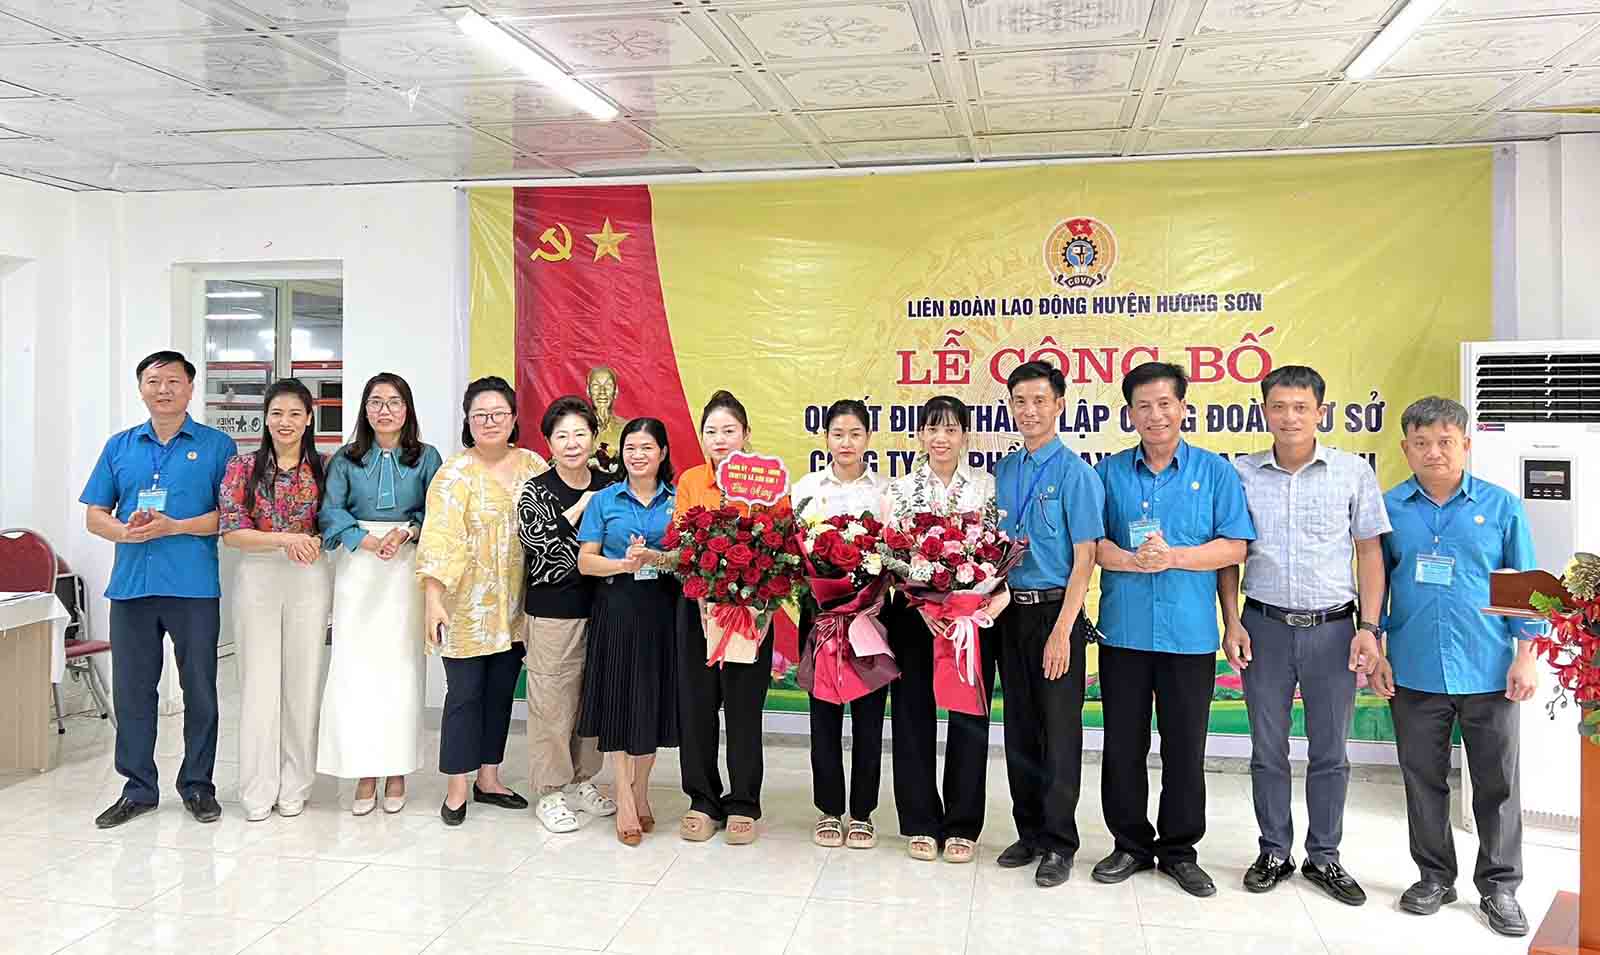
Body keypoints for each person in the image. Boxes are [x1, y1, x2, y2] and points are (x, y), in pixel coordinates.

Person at [1368, 396, 1540, 938]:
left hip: (1489, 668)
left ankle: (1500, 887)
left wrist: (1526, 654)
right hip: (1415, 668)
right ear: (1405, 448)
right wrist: (1376, 648)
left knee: (1497, 784)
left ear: (1466, 444)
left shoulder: (1502, 505)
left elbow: (1523, 584)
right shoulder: (1388, 508)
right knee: (1423, 779)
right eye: (1421, 443)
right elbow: (1377, 582)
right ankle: (1434, 877)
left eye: (1445, 441)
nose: (1434, 452)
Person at [1218, 365, 1388, 903]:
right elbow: (1229, 553)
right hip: (1263, 627)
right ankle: (1273, 850)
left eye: (1301, 407)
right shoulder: (1240, 474)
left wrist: (1369, 627)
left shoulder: (1352, 472)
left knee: (1330, 751)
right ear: (1263, 411)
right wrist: (1232, 620)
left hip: (1335, 630)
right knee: (1267, 749)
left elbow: (1369, 552)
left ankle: (1325, 856)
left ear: (1321, 412)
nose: (1289, 417)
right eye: (1278, 407)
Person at [1092, 361, 1255, 897]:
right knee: (1122, 745)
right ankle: (1130, 844)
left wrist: (1176, 559)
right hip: (1124, 634)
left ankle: (1180, 850)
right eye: (1144, 406)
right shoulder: (1109, 473)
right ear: (1129, 413)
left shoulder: (1215, 472)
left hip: (1189, 636)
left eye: (1166, 404)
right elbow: (1093, 547)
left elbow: (1233, 548)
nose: (1156, 415)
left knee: (1185, 747)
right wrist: (1134, 561)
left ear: (1184, 408)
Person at [81, 350, 238, 828]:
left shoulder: (217, 447)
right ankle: (138, 789)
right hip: (131, 589)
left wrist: (173, 526)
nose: (163, 389)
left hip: (192, 587)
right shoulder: (120, 446)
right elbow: (94, 515)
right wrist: (123, 532)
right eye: (154, 381)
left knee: (200, 691)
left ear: (191, 389)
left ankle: (197, 786)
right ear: (141, 389)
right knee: (133, 693)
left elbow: (227, 517)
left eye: (173, 381)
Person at [992, 361, 1104, 887]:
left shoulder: (1077, 474)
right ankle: (1029, 830)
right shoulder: (1006, 471)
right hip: (1009, 610)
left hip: (1057, 611)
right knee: (1019, 724)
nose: (1030, 410)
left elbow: (1085, 559)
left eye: (1040, 400)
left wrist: (1064, 630)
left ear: (1060, 405)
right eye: (1020, 401)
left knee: (1059, 732)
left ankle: (1060, 842)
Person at [417, 376, 548, 826]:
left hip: (516, 606)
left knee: (499, 695)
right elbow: (439, 539)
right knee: (464, 696)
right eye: (480, 415)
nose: (489, 422)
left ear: (513, 419)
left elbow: (551, 531)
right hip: (466, 608)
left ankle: (488, 778)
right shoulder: (454, 473)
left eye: (498, 414)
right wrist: (433, 600)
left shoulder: (533, 465)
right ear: (468, 422)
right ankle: (457, 786)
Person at [881, 395, 1001, 864]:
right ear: (919, 435)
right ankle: (919, 822)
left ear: (965, 435)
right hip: (915, 617)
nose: (941, 439)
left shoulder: (985, 486)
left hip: (968, 620)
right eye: (932, 429)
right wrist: (918, 600)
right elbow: (889, 557)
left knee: (968, 719)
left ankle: (963, 825)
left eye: (951, 429)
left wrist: (963, 601)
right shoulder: (900, 489)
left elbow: (993, 550)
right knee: (912, 718)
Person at [317, 372, 443, 816]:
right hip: (358, 567)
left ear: (407, 409)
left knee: (401, 671)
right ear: (364, 410)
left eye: (393, 401)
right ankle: (364, 771)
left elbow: (437, 512)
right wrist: (364, 539)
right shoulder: (345, 460)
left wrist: (407, 533)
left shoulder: (426, 458)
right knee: (356, 670)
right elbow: (330, 513)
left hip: (405, 568)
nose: (384, 409)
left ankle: (396, 771)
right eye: (375, 402)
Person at [673, 389, 792, 846]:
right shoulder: (690, 482)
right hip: (699, 611)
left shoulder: (768, 482)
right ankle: (702, 798)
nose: (720, 439)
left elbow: (781, 546)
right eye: (711, 431)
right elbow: (684, 542)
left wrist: (761, 601)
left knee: (744, 710)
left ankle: (744, 801)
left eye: (729, 430)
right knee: (697, 706)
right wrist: (703, 593)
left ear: (746, 434)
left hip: (752, 611)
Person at [219, 378, 333, 822]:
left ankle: (296, 785)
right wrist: (287, 539)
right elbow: (232, 532)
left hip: (309, 576)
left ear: (308, 419)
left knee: (303, 682)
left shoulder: (326, 467)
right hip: (259, 575)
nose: (285, 422)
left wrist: (314, 539)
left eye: (294, 414)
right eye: (276, 413)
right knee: (258, 682)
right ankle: (256, 789)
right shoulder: (242, 467)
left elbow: (333, 522)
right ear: (265, 419)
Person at [576, 418, 681, 846]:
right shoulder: (604, 499)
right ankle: (622, 792)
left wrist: (656, 557)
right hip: (616, 606)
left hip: (662, 609)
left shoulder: (677, 500)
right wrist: (625, 564)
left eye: (647, 447)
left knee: (651, 702)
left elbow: (686, 558)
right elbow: (586, 562)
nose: (638, 455)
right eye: (630, 447)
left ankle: (642, 787)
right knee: (620, 702)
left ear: (662, 453)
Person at [518, 396, 619, 833]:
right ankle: (551, 789)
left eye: (580, 433)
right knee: (552, 705)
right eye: (562, 436)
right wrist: (579, 510)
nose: (572, 443)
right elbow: (546, 556)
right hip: (553, 613)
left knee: (590, 703)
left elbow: (619, 544)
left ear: (594, 438)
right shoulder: (536, 490)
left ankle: (582, 780)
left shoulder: (611, 485)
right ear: (549, 443)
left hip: (604, 610)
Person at [792, 399, 890, 851]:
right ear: (826, 438)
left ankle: (863, 813)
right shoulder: (806, 489)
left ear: (868, 438)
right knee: (824, 716)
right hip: (822, 617)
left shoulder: (885, 493)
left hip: (870, 617)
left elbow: (896, 557)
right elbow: (795, 555)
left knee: (870, 718)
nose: (846, 442)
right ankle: (830, 810)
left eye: (855, 433)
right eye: (837, 434)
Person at [587, 366, 629, 473]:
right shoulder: (576, 428)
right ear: (588, 391)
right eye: (596, 386)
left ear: (616, 391)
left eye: (608, 385)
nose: (602, 391)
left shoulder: (627, 429)